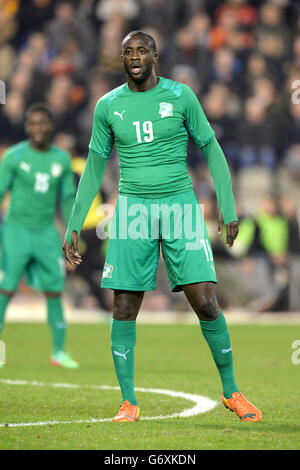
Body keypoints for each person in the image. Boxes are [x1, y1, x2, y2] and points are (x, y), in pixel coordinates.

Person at [63, 30, 262, 422]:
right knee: (123, 306)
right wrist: (73, 225)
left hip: (181, 207)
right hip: (133, 208)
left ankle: (231, 391)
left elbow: (211, 148)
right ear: (121, 59)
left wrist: (227, 205)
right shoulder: (108, 106)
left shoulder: (181, 95)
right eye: (127, 52)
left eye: (141, 50)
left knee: (205, 301)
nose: (134, 57)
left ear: (155, 55)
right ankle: (128, 402)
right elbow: (93, 169)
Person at [0, 103, 79, 369]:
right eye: (32, 123)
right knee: (6, 288)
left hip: (46, 232)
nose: (37, 128)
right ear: (26, 127)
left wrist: (72, 232)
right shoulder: (13, 156)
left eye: (42, 123)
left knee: (54, 291)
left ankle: (59, 352)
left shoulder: (61, 159)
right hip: (16, 230)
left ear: (51, 126)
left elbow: (68, 199)